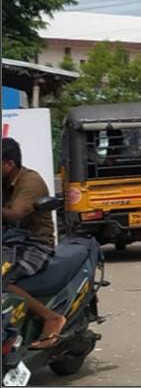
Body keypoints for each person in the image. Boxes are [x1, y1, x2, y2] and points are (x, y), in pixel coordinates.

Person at [1, 137, 66, 349]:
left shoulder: (30, 181)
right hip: (9, 242)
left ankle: (52, 318)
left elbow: (14, 215)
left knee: (2, 279)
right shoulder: (4, 181)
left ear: (8, 164)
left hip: (35, 245)